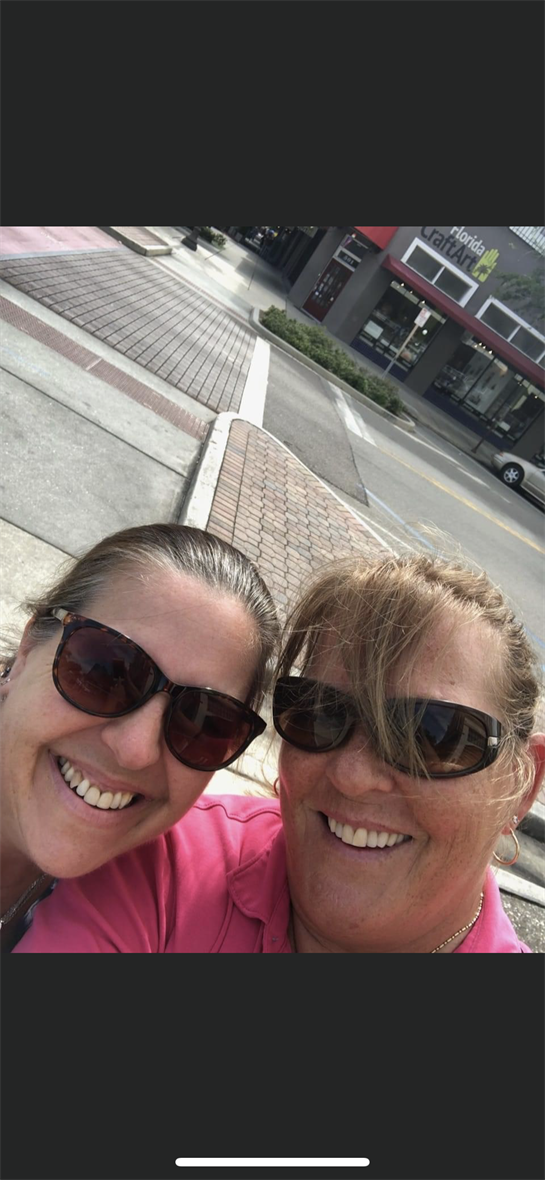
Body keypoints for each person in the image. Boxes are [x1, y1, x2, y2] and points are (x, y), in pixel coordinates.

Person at [14, 554, 545, 953]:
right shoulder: (163, 869)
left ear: (522, 786)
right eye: (319, 713)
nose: (355, 775)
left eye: (431, 735)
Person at [0, 523, 279, 951]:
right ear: (27, 650)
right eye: (104, 672)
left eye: (203, 722)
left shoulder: (154, 887)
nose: (135, 750)